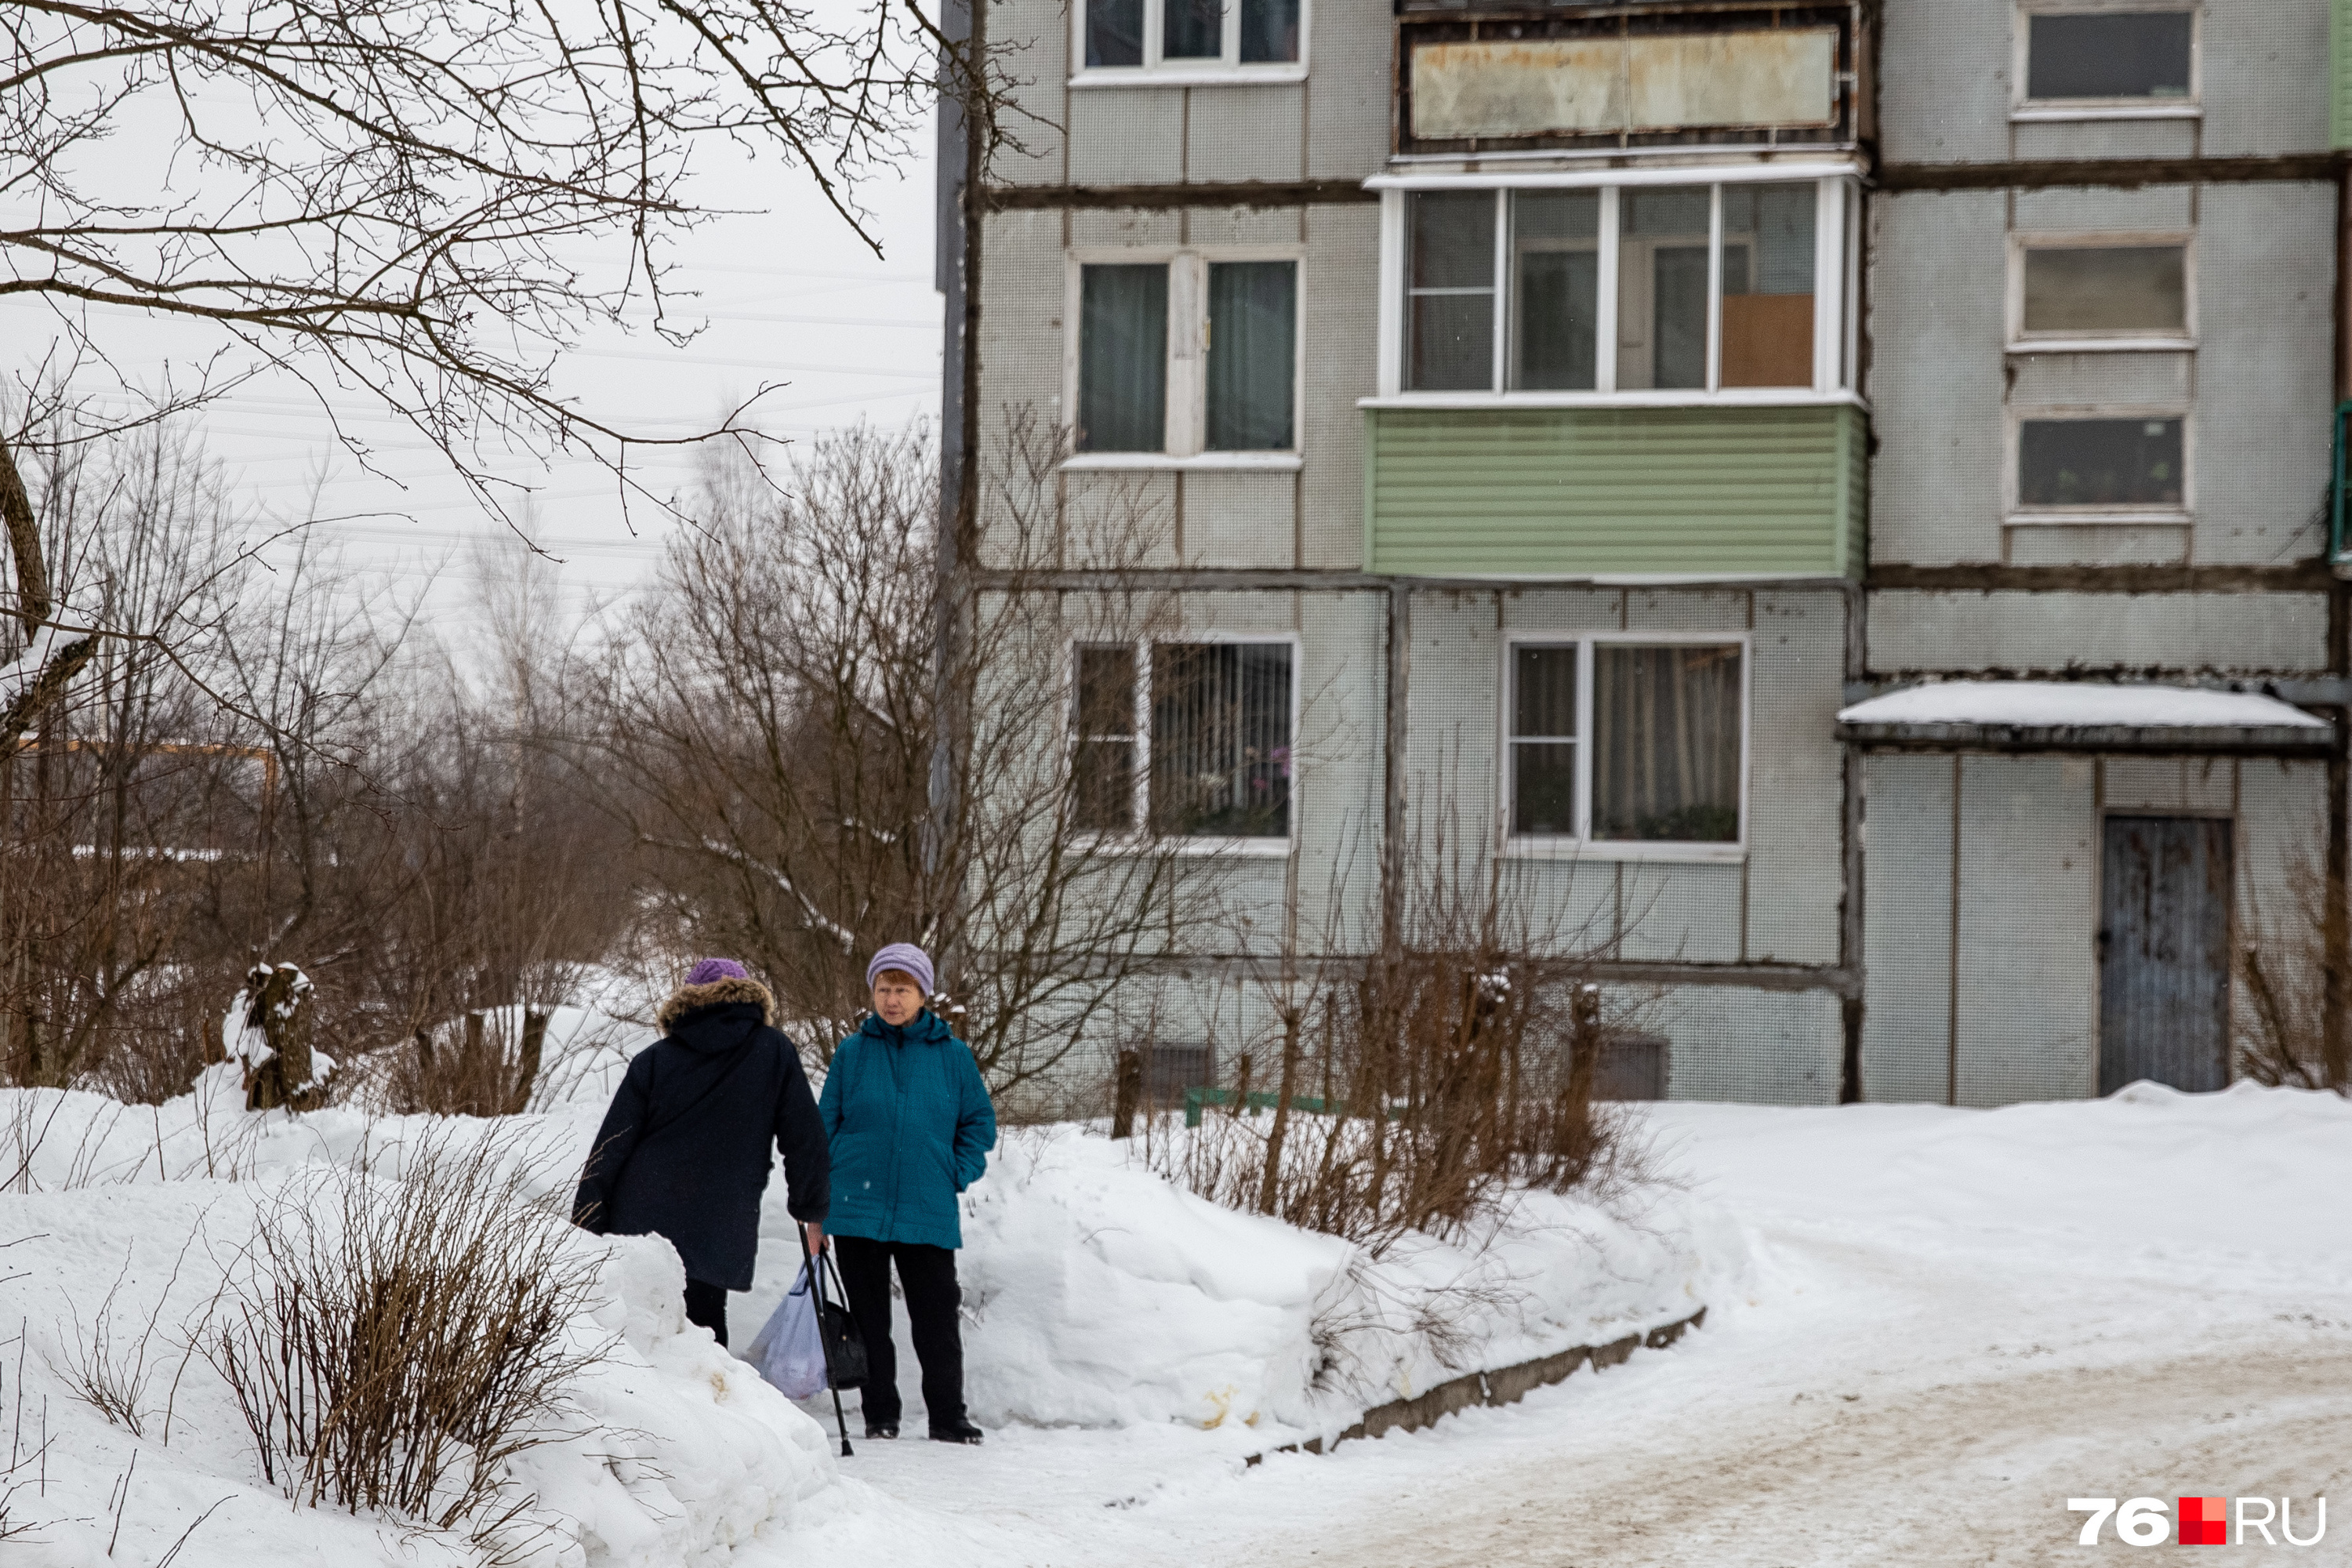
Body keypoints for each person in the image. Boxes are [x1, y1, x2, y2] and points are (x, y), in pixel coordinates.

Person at [574, 958, 828, 1347]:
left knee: (641, 1331)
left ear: (686, 1001)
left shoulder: (656, 1059)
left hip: (643, 1212)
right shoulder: (772, 1050)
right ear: (748, 998)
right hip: (721, 1216)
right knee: (704, 1335)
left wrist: (587, 1220)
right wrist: (811, 1209)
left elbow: (611, 1146)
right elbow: (804, 1137)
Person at [819, 942, 997, 1444]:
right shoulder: (853, 1052)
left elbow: (979, 1124)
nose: (892, 1000)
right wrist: (824, 1191)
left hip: (926, 1205)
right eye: (883, 989)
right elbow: (824, 1125)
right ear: (871, 993)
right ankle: (880, 1415)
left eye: (902, 989)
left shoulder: (953, 1056)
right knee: (870, 1319)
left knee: (936, 1318)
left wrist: (953, 1172)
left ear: (923, 994)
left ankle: (947, 1416)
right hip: (857, 1206)